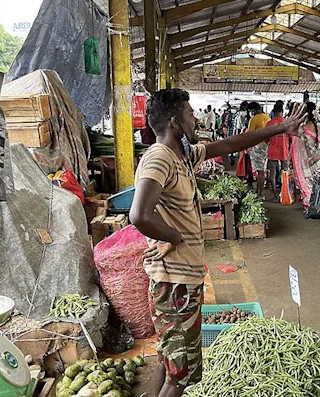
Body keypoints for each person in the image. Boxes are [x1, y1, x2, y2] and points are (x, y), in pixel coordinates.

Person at [129, 89, 306, 397]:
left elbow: (228, 144)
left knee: (170, 359)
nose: (194, 118)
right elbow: (139, 214)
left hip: (182, 278)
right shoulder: (159, 157)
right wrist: (175, 236)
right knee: (180, 374)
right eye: (188, 113)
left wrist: (279, 127)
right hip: (174, 282)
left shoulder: (181, 155)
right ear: (174, 123)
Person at [291, 102, 320, 210]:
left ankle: (309, 205)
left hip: (305, 162)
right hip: (318, 160)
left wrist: (289, 160)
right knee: (315, 182)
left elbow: (294, 147)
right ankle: (316, 203)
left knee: (307, 183)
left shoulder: (301, 130)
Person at [267, 101, 289, 202]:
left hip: (272, 150)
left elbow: (266, 139)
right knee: (286, 172)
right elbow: (291, 138)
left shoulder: (269, 123)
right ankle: (285, 195)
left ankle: (275, 196)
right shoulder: (286, 122)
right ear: (282, 111)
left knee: (272, 173)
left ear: (274, 112)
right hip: (284, 150)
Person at [247, 102, 271, 197]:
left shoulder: (254, 119)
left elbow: (250, 135)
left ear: (253, 110)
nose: (250, 112)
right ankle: (259, 191)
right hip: (266, 147)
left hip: (257, 147)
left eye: (250, 110)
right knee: (262, 170)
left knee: (259, 171)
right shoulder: (267, 118)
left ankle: (259, 192)